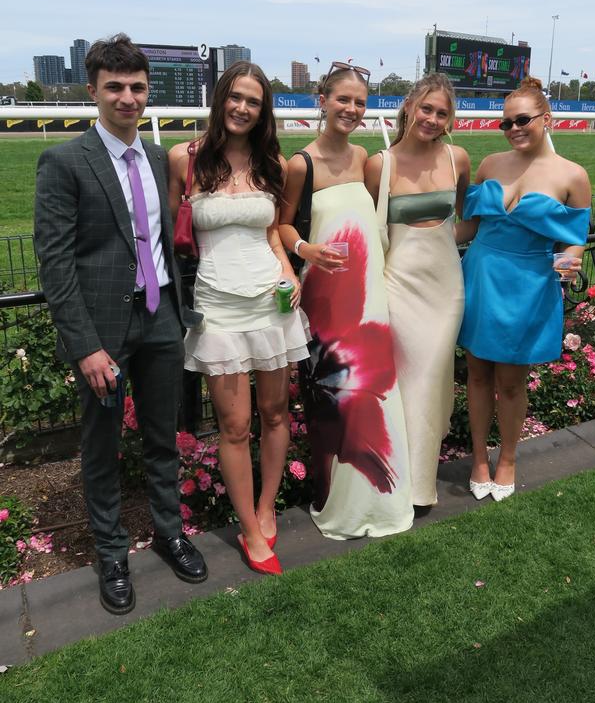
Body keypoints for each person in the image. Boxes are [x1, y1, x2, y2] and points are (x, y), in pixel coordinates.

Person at [34, 34, 207, 615]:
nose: (127, 97)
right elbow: (55, 263)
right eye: (115, 87)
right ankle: (111, 554)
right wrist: (84, 347)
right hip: (102, 331)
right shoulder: (65, 161)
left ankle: (168, 531)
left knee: (163, 436)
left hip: (159, 317)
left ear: (146, 89)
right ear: (93, 91)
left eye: (136, 87)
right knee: (102, 447)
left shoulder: (157, 158)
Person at [169, 62, 309, 576]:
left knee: (275, 413)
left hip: (271, 302)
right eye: (236, 97)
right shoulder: (184, 159)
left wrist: (290, 274)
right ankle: (249, 527)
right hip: (217, 306)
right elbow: (171, 237)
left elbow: (273, 234)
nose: (243, 108)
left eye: (253, 101)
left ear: (262, 110)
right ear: (221, 98)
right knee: (234, 425)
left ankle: (267, 504)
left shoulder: (272, 160)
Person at [279, 62, 413, 540]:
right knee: (333, 400)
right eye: (343, 100)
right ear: (322, 100)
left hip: (369, 298)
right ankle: (335, 501)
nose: (352, 109)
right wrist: (305, 249)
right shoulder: (301, 163)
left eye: (359, 102)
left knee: (373, 396)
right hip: (326, 301)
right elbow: (282, 224)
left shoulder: (366, 159)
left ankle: (382, 499)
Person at [456, 77, 591, 501]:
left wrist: (561, 282)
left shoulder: (573, 174)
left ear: (546, 119)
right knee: (476, 375)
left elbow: (574, 241)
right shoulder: (490, 164)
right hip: (480, 276)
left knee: (512, 382)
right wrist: (415, 236)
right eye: (505, 123)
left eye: (522, 120)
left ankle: (508, 458)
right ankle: (479, 457)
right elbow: (469, 226)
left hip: (530, 285)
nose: (513, 128)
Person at [365, 74, 469, 507]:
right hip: (398, 286)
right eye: (426, 108)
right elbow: (370, 233)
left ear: (450, 119)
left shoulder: (457, 157)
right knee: (406, 382)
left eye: (441, 112)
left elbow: (463, 220)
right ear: (409, 106)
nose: (431, 118)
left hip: (447, 290)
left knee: (429, 378)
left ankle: (418, 483)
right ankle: (406, 484)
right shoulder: (379, 164)